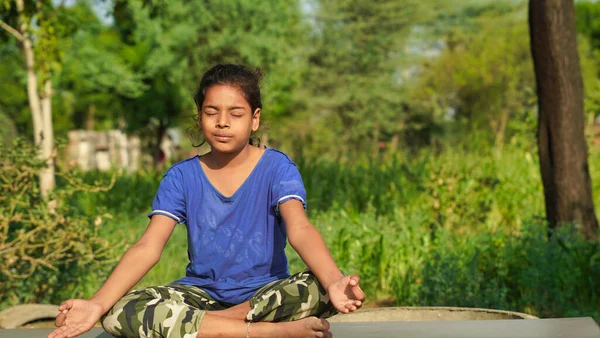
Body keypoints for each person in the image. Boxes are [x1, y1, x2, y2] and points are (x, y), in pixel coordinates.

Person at [48, 64, 365, 338]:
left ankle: (205, 329)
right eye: (212, 112)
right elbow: (148, 248)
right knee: (121, 311)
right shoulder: (181, 177)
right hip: (201, 296)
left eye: (235, 113)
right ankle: (269, 333)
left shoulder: (277, 168)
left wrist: (335, 280)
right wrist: (97, 305)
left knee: (319, 286)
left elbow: (300, 229)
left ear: (254, 119)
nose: (223, 122)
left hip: (267, 295)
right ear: (200, 117)